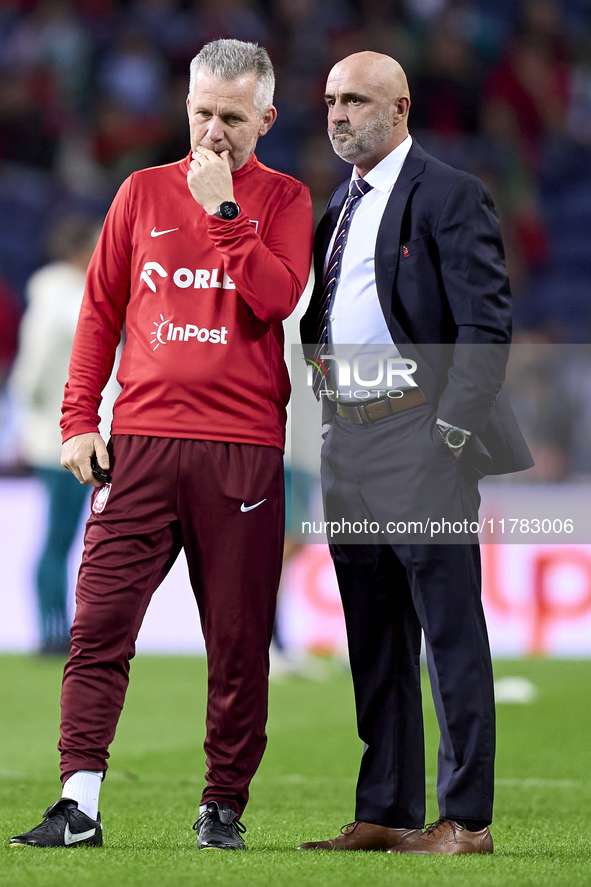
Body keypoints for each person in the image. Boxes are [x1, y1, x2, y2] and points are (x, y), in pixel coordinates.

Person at [10, 38, 313, 851]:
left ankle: (222, 805)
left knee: (240, 642)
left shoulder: (284, 200)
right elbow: (100, 310)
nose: (213, 134)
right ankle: (79, 803)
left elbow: (277, 297)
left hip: (242, 449)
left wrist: (222, 213)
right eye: (202, 115)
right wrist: (79, 418)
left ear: (267, 118)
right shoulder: (140, 191)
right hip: (138, 446)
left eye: (232, 119)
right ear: (185, 109)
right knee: (98, 623)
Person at [298, 51, 532, 855]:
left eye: (355, 100)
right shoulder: (339, 206)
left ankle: (465, 820)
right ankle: (388, 809)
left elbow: (482, 321)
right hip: (347, 437)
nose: (337, 114)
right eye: (330, 100)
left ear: (397, 108)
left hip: (417, 432)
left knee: (448, 629)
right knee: (373, 631)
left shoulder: (450, 192)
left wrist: (452, 431)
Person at [8, 216, 109, 655]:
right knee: (60, 537)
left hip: (68, 434)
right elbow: (30, 371)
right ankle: (51, 629)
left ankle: (57, 627)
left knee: (64, 536)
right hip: (58, 440)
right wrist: (30, 422)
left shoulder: (58, 295)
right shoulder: (58, 298)